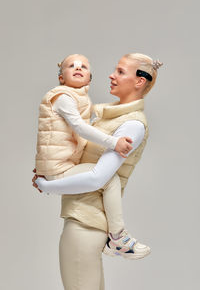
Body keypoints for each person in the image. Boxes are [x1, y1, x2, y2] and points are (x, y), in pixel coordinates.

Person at [33, 53, 163, 289]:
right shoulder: (108, 118)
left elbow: (98, 178)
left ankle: (119, 236)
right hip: (85, 221)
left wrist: (47, 185)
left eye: (121, 72)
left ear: (139, 81)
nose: (112, 75)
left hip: (85, 225)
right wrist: (50, 164)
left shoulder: (131, 124)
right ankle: (118, 237)